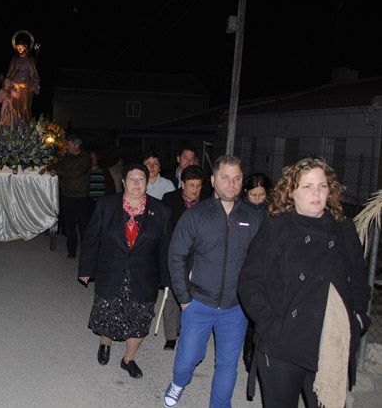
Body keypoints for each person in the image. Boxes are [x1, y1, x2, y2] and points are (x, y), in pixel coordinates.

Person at [238, 157, 371, 408]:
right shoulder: (276, 227)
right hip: (282, 344)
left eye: (322, 186)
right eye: (307, 186)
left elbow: (358, 280)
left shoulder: (343, 229)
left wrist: (358, 319)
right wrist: (271, 324)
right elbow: (250, 282)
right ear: (291, 191)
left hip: (329, 342)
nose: (316, 193)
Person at [163, 155, 262, 408]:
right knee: (188, 358)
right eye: (225, 177)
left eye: (237, 178)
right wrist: (184, 298)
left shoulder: (253, 217)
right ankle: (178, 382)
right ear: (213, 180)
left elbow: (262, 261)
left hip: (236, 308)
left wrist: (252, 299)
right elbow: (176, 255)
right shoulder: (196, 215)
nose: (231, 184)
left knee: (227, 365)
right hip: (198, 302)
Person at [78, 163, 171, 379]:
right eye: (132, 179)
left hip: (144, 274)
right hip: (111, 269)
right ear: (123, 182)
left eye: (141, 179)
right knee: (109, 311)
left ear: (147, 183)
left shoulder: (161, 210)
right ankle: (106, 340)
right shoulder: (106, 205)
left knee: (139, 317)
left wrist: (168, 279)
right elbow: (91, 239)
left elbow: (166, 247)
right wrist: (86, 268)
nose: (136, 184)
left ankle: (128, 359)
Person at [160, 165, 205, 351]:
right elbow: (164, 230)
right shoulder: (170, 199)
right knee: (172, 294)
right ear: (183, 184)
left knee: (195, 297)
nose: (195, 190)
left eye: (199, 186)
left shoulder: (207, 202)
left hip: (199, 257)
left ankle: (188, 333)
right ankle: (171, 336)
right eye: (191, 185)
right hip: (176, 254)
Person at [240, 172, 273, 373]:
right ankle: (247, 352)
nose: (258, 199)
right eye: (254, 195)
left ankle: (253, 355)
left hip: (265, 269)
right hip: (243, 266)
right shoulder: (239, 209)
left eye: (262, 195)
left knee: (257, 314)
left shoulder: (272, 212)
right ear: (246, 192)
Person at [47, 135, 91, 259]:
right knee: (69, 225)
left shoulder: (85, 158)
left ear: (76, 145)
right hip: (67, 195)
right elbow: (59, 165)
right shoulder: (68, 157)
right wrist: (49, 167)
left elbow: (76, 173)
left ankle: (86, 252)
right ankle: (71, 251)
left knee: (83, 226)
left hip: (81, 196)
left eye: (68, 145)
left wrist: (58, 172)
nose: (66, 147)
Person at [6, 38, 40, 123]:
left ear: (25, 47)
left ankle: (26, 126)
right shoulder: (15, 59)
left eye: (21, 47)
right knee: (15, 107)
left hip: (26, 87)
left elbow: (34, 73)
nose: (19, 49)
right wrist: (8, 82)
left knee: (25, 107)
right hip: (16, 87)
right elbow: (10, 72)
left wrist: (35, 84)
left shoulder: (30, 59)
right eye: (18, 48)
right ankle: (15, 126)